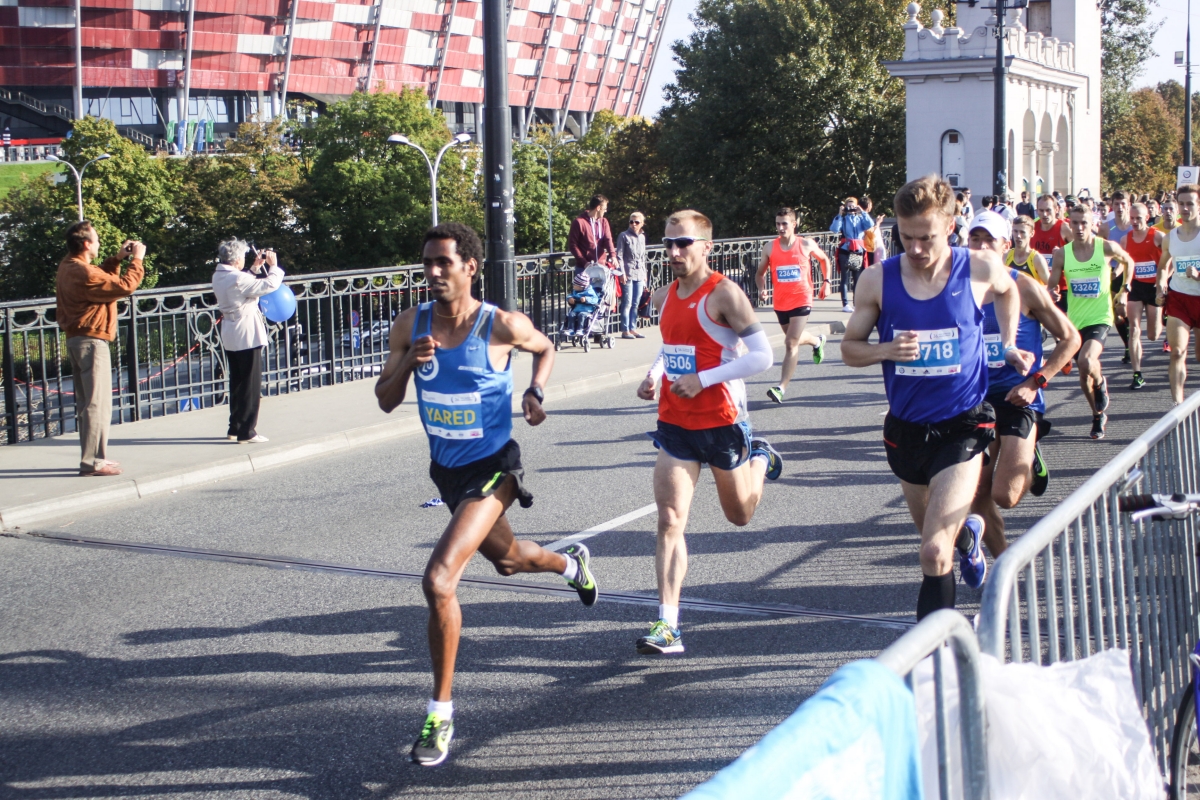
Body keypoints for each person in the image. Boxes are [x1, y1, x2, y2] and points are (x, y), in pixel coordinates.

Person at [374, 222, 598, 767]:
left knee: (439, 579)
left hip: (496, 469)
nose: (432, 273)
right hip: (447, 475)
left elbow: (545, 348)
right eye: (427, 263)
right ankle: (572, 565)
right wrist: (409, 361)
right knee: (509, 560)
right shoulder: (412, 324)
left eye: (443, 263)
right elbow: (384, 399)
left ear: (469, 267)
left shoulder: (500, 325)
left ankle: (439, 713)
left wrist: (535, 391)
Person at [841, 176, 1031, 619]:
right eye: (906, 237)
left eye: (926, 238)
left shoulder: (979, 267)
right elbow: (850, 349)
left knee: (931, 553)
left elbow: (1008, 291)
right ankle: (967, 534)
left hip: (964, 423)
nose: (916, 249)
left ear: (950, 227)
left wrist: (1005, 342)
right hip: (906, 429)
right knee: (933, 537)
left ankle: (934, 656)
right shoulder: (878, 280)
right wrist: (886, 350)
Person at [636, 209, 783, 654]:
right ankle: (668, 624)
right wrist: (654, 373)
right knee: (669, 520)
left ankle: (759, 458)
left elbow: (762, 357)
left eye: (684, 243)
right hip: (676, 422)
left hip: (722, 420)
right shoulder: (664, 295)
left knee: (739, 515)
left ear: (706, 247)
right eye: (669, 244)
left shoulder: (725, 294)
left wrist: (704, 379)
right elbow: (673, 346)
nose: (675, 252)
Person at [965, 213, 1080, 558]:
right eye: (975, 239)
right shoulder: (954, 288)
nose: (982, 247)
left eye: (990, 241)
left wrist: (1036, 381)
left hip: (1018, 395)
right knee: (976, 492)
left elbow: (1070, 338)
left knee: (1005, 495)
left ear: (1005, 245)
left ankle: (1030, 454)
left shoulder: (1025, 286)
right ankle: (1004, 566)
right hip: (972, 399)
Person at [55, 221, 146, 476]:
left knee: (88, 404)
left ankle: (93, 458)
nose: (98, 243)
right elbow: (123, 287)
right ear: (86, 244)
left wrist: (117, 258)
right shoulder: (84, 273)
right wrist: (136, 260)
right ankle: (94, 462)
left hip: (77, 339)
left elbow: (101, 278)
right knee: (97, 405)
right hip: (92, 341)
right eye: (95, 240)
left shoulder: (69, 266)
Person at [1047, 204, 1135, 439]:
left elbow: (1129, 262)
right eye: (1074, 223)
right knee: (1082, 376)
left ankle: (1101, 381)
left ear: (1092, 223)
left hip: (1100, 316)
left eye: (1084, 222)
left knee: (1087, 361)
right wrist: (1052, 293)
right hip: (1074, 320)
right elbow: (1052, 283)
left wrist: (1124, 290)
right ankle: (1097, 414)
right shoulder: (1062, 254)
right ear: (1069, 224)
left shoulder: (1105, 247)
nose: (1079, 228)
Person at [212, 239, 284, 444]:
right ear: (236, 260)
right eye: (242, 257)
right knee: (250, 384)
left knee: (237, 381)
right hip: (247, 333)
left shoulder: (219, 275)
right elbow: (268, 285)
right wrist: (273, 266)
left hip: (230, 332)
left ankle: (234, 426)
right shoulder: (237, 278)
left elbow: (243, 282)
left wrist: (254, 267)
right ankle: (247, 431)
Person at [756, 207, 829, 403]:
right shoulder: (770, 248)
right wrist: (761, 289)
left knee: (790, 343)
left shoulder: (805, 244)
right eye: (778, 223)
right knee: (793, 338)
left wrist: (826, 281)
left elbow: (824, 259)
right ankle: (816, 341)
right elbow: (759, 274)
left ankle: (781, 388)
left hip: (802, 298)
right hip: (781, 302)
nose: (780, 228)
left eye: (784, 224)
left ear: (794, 225)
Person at [1156, 184, 1200, 405]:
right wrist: (1161, 284)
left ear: (1198, 206)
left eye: (1190, 203)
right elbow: (1163, 266)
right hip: (1179, 299)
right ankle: (1177, 405)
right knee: (1177, 352)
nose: (1184, 208)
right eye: (1181, 203)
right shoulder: (1170, 238)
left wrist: (1199, 274)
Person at [1122, 203, 1165, 390]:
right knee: (1134, 330)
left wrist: (1163, 279)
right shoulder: (1126, 239)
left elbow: (1169, 258)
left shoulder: (1157, 236)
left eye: (1138, 218)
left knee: (1153, 335)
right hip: (1137, 286)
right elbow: (1123, 263)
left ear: (1147, 217)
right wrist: (1121, 280)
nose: (1134, 222)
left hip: (1154, 287)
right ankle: (1137, 373)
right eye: (1132, 218)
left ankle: (1164, 317)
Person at [830, 196, 874, 312]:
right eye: (848, 206)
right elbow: (834, 229)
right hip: (845, 250)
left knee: (857, 279)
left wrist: (863, 212)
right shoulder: (844, 219)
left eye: (853, 205)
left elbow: (870, 224)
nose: (851, 208)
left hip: (858, 250)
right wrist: (840, 214)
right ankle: (845, 304)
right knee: (844, 278)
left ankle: (856, 303)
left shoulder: (860, 219)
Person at [616, 211, 647, 339]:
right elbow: (619, 256)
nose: (633, 224)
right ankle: (625, 329)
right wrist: (622, 273)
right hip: (628, 273)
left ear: (642, 223)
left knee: (636, 302)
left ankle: (633, 328)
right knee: (627, 302)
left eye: (636, 222)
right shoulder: (623, 236)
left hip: (639, 272)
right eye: (631, 222)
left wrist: (645, 275)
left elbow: (643, 257)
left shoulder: (642, 237)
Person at [568, 194, 616, 275]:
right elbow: (573, 245)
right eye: (604, 209)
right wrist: (584, 262)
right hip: (584, 269)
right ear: (598, 208)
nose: (605, 211)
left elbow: (608, 240)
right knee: (586, 288)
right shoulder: (579, 222)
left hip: (601, 267)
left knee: (602, 288)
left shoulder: (604, 222)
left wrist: (613, 255)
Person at [1006, 216, 1050, 284]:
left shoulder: (1037, 259)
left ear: (1032, 233)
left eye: (1022, 232)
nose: (1018, 236)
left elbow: (1050, 287)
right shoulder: (1005, 256)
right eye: (1015, 231)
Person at [564, 271, 599, 336]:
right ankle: (570, 329)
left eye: (575, 285)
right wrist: (569, 298)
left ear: (581, 286)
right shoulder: (575, 291)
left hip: (587, 310)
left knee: (581, 315)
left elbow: (595, 299)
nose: (573, 286)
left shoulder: (589, 291)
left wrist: (586, 299)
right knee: (571, 315)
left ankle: (580, 329)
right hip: (576, 309)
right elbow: (569, 295)